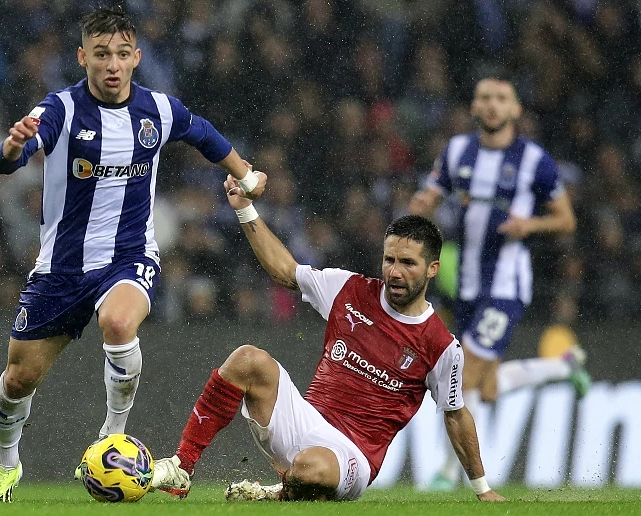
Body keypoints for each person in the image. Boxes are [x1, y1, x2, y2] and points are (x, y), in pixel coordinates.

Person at [0, 7, 266, 503]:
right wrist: (11, 147)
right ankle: (7, 464)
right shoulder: (62, 108)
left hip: (129, 256)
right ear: (81, 57)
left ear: (136, 57)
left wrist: (245, 173)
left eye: (120, 55)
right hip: (61, 269)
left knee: (118, 324)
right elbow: (15, 157)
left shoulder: (157, 109)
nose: (111, 65)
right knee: (18, 378)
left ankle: (110, 438)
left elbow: (203, 134)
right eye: (100, 55)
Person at [145, 178, 505, 502]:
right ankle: (182, 465)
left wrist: (482, 488)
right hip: (305, 419)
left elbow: (456, 416)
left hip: (352, 455)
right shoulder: (348, 289)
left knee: (309, 468)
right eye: (389, 260)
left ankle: (281, 494)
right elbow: (285, 271)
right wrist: (245, 208)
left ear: (432, 269)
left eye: (408, 263)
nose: (395, 272)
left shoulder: (441, 345)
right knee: (247, 358)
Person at [408, 74, 589, 491]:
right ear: (474, 107)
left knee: (462, 376)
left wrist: (531, 224)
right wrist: (423, 204)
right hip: (465, 284)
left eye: (501, 99)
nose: (492, 105)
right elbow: (431, 194)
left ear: (515, 110)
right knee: (486, 389)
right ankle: (563, 366)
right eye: (485, 97)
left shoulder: (534, 160)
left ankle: (448, 474)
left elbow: (567, 219)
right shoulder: (456, 152)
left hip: (506, 287)